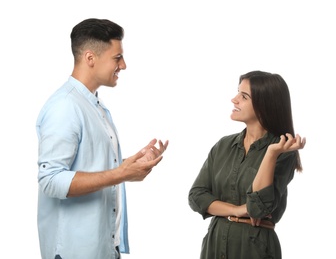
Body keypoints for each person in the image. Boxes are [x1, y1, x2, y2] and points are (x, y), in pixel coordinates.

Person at [36, 18, 169, 259]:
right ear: (90, 58)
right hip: (74, 253)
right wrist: (121, 174)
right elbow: (51, 180)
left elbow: (92, 168)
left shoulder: (94, 106)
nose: (124, 65)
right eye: (117, 58)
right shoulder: (65, 107)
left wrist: (131, 164)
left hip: (103, 248)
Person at [188, 70, 306, 259]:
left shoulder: (283, 152)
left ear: (264, 105)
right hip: (215, 243)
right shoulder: (223, 145)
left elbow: (258, 207)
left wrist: (270, 153)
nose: (234, 100)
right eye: (237, 93)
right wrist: (236, 210)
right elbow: (196, 196)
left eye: (243, 96)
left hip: (254, 247)